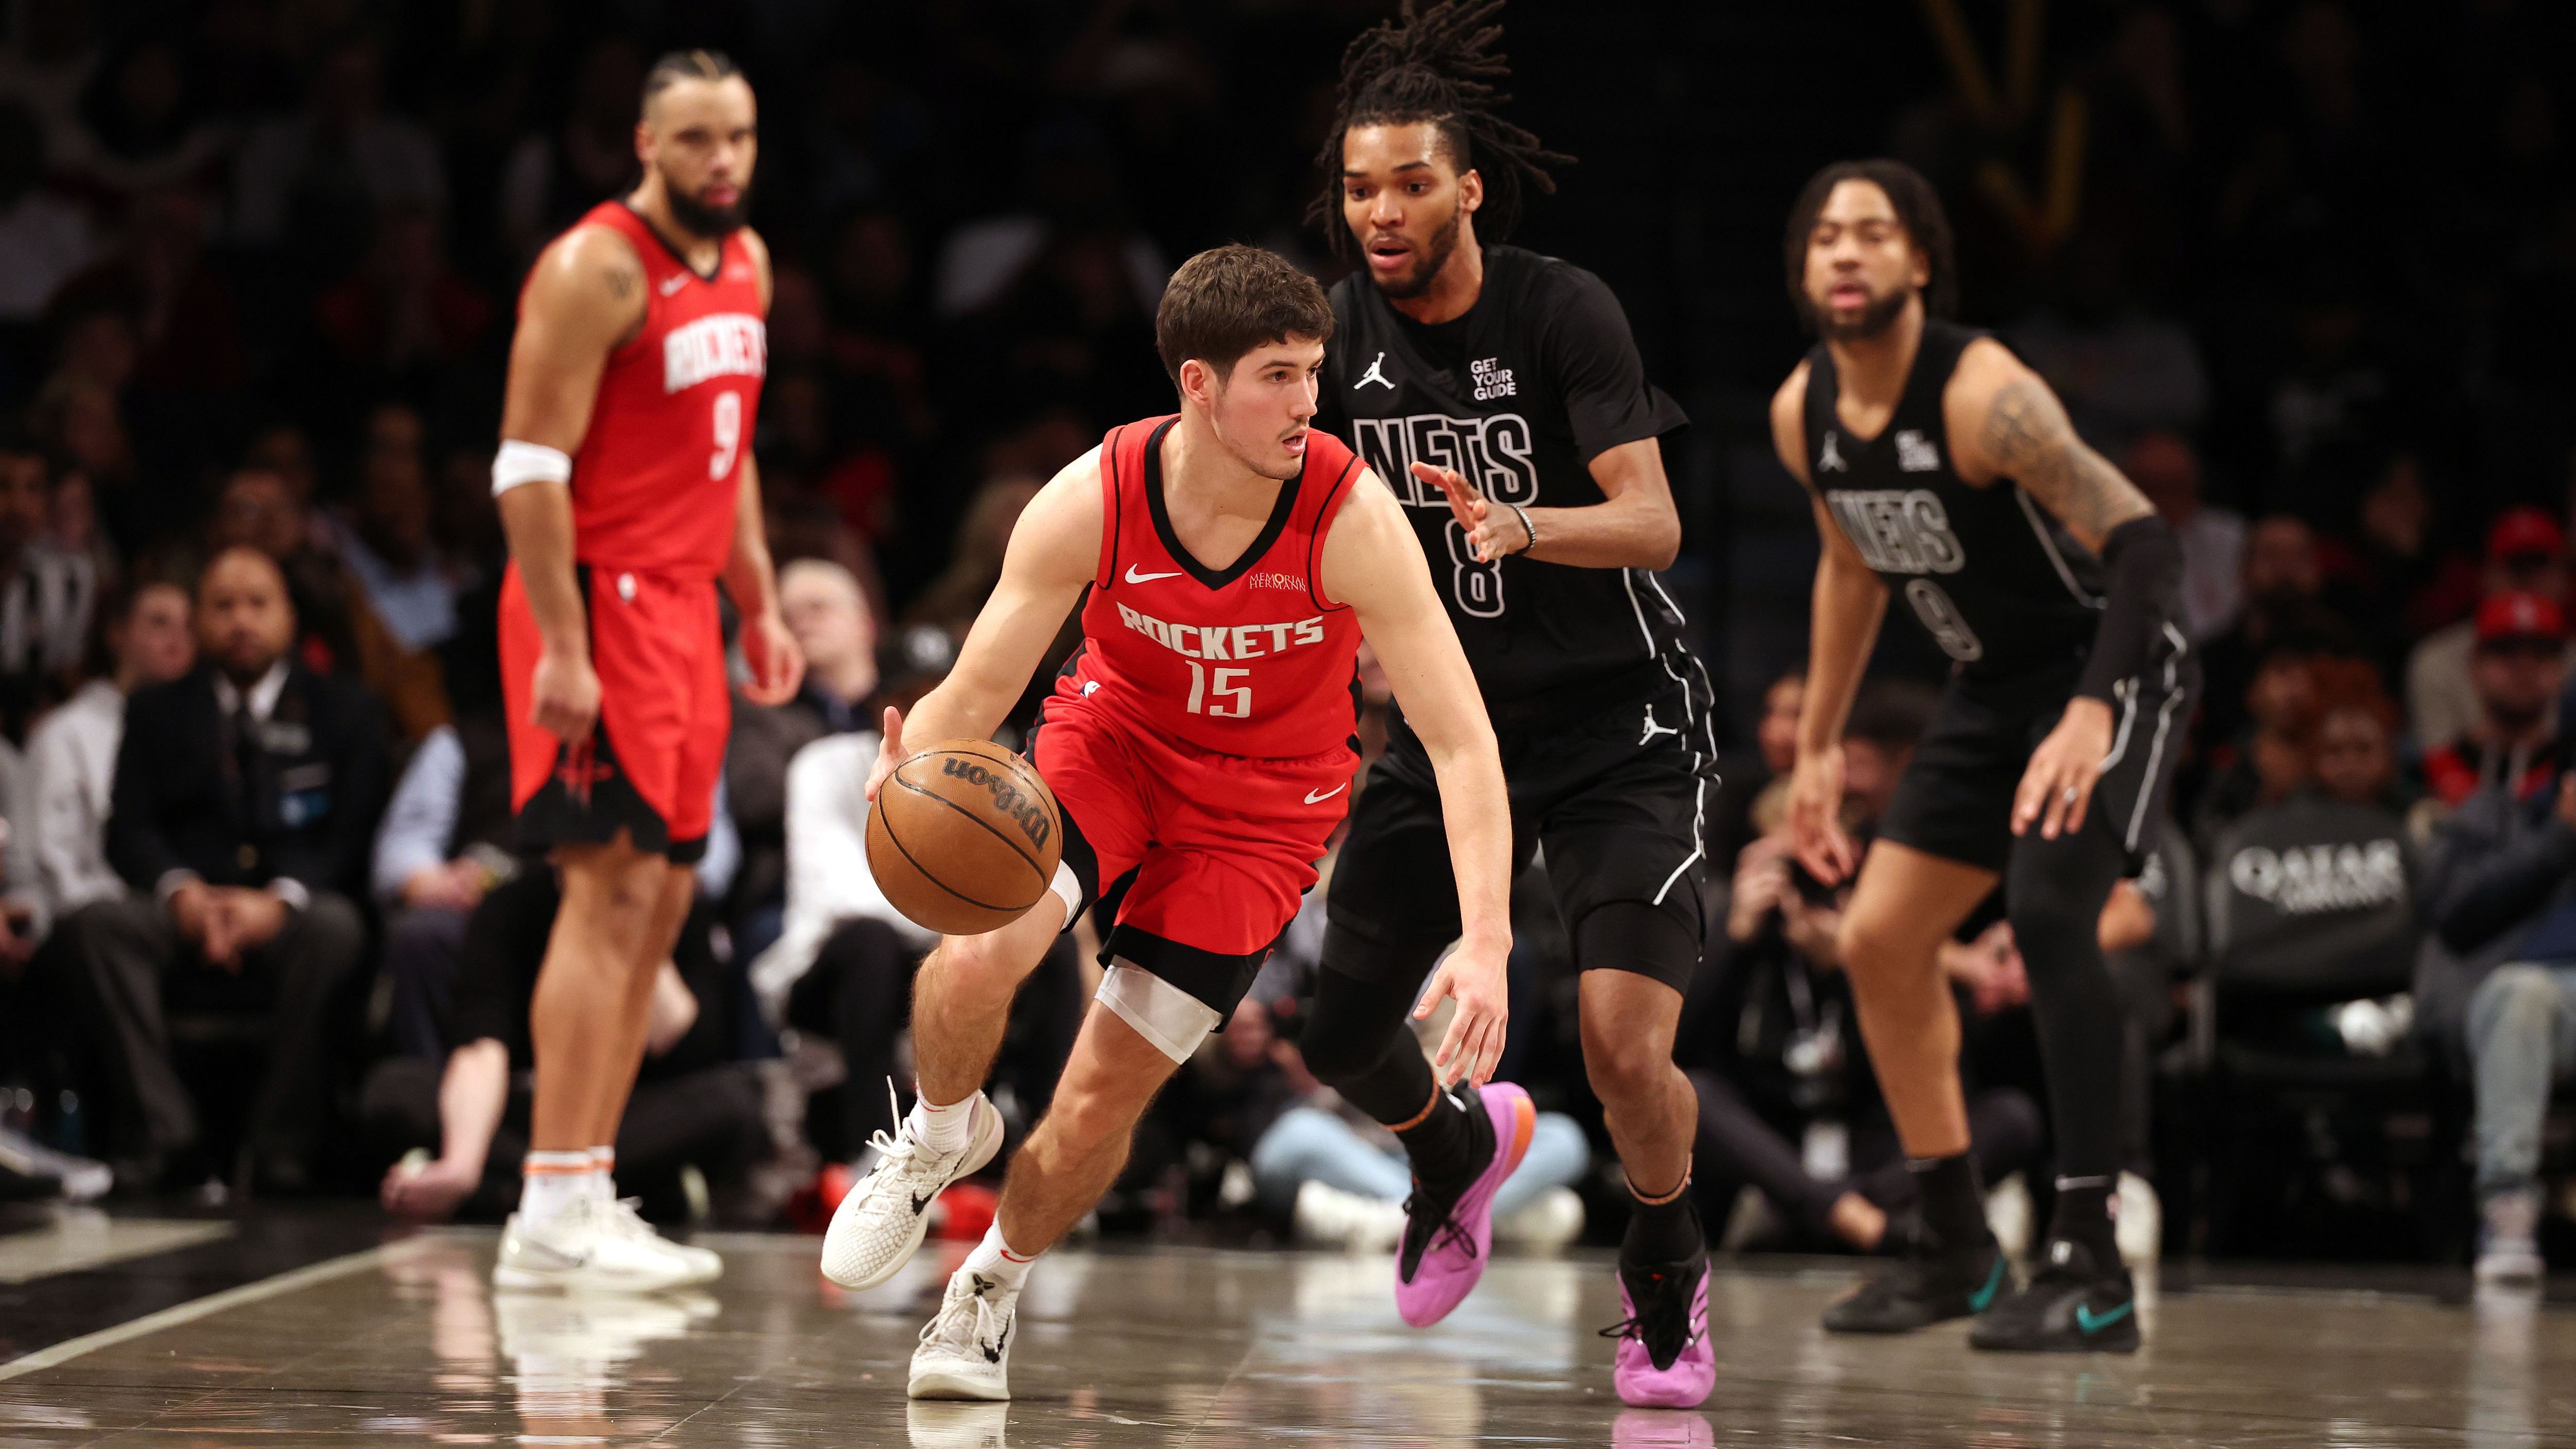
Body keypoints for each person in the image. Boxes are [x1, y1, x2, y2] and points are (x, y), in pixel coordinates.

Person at [818, 243, 1513, 1404]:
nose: (1308, 402)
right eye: (1277, 377)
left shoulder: (1350, 515)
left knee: (1099, 1094)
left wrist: (1485, 936)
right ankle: (938, 1135)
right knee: (978, 952)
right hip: (1113, 749)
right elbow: (979, 684)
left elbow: (1460, 741)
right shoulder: (1095, 495)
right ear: (1198, 384)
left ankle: (989, 1287)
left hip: (1261, 813)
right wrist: (910, 764)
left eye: (1313, 372)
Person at [1297, 1, 1718, 1408]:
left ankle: (1663, 1254)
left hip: (1615, 724)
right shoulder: (1332, 333)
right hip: (1447, 724)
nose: (1380, 211)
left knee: (1621, 1044)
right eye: (1360, 187)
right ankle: (1453, 1151)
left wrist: (1524, 524)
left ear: (1468, 188)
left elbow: (1653, 522)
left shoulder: (1558, 308)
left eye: (1410, 182)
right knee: (1338, 1036)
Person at [1772, 160, 2196, 1353]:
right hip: (1990, 684)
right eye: (1825, 235)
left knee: (2050, 909)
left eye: (1872, 233)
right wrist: (1817, 747)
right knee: (1877, 938)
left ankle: (2091, 1259)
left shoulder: (1981, 393)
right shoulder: (1802, 411)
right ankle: (1956, 1246)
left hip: (2111, 665)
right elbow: (1849, 566)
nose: (1845, 251)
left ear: (1919, 262)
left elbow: (2145, 544)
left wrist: (2092, 710)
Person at [486, 49, 802, 1293]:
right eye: (695, 140)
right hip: (595, 604)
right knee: (604, 893)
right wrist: (563, 645)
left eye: (739, 137)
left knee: (664, 902)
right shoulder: (594, 268)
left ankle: (587, 1183)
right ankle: (548, 1203)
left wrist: (758, 599)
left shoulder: (751, 263)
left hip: (684, 610)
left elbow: (731, 448)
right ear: (645, 144)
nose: (721, 161)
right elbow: (525, 468)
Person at [50, 548, 388, 1192]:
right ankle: (165, 1133)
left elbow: (352, 835)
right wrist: (182, 892)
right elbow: (130, 831)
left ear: (289, 616)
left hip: (293, 908)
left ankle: (281, 1146)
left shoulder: (343, 707)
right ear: (198, 620)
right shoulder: (156, 709)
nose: (241, 620)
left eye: (258, 603)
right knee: (95, 926)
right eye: (223, 605)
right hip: (186, 905)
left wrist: (280, 901)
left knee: (337, 928)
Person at [371, 868, 766, 1226]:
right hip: (527, 1103)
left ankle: (513, 1193)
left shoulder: (679, 902)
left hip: (626, 1114)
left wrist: (629, 918)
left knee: (733, 1102)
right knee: (396, 1088)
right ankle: (606, 1191)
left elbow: (681, 1041)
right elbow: (481, 1046)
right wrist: (462, 1166)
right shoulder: (513, 905)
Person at [23, 580, 195, 934]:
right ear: (117, 634)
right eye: (159, 623)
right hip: (106, 926)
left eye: (189, 626)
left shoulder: (209, 732)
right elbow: (54, 866)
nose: (177, 640)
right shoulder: (66, 733)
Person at [2421, 592, 2565, 811]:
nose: (2525, 666)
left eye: (2541, 653)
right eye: (2506, 650)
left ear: (2560, 669)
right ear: (2474, 666)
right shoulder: (2430, 772)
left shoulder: (2569, 774)